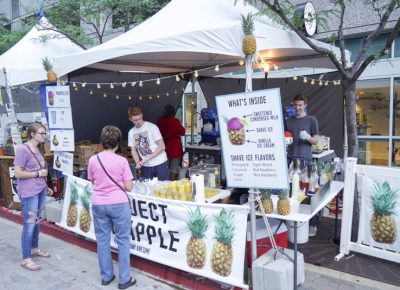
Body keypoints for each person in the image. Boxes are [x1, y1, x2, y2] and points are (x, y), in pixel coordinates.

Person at [87, 125, 136, 289]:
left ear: (101, 142)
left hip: (99, 203)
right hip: (119, 204)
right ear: (118, 143)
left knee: (102, 240)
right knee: (123, 241)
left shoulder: (93, 159)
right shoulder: (122, 161)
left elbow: (92, 181)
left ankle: (106, 277)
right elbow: (129, 187)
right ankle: (124, 279)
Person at [14, 122, 53, 271]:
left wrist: (45, 185)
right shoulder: (23, 150)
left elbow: (40, 170)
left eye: (45, 133)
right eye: (41, 133)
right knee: (29, 224)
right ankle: (26, 258)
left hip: (40, 190)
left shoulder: (38, 148)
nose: (44, 136)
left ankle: (34, 249)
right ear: (32, 134)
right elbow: (18, 173)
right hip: (29, 193)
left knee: (36, 222)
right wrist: (36, 174)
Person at [286, 93, 319, 236]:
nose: (298, 108)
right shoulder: (289, 120)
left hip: (306, 161)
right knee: (290, 192)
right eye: (295, 105)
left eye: (300, 105)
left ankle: (311, 224)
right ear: (293, 105)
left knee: (308, 193)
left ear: (305, 105)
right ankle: (291, 222)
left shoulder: (312, 120)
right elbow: (286, 136)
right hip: (291, 160)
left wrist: (308, 137)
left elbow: (316, 141)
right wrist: (285, 140)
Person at [128, 106, 169, 180]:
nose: (138, 122)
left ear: (142, 115)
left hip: (160, 163)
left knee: (163, 188)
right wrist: (137, 162)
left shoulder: (152, 127)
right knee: (147, 189)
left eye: (140, 118)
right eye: (135, 120)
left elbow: (162, 146)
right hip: (145, 166)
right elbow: (133, 150)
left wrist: (146, 159)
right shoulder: (131, 132)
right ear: (130, 119)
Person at [157, 104, 185, 180]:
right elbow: (182, 132)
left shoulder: (159, 121)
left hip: (163, 146)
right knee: (174, 168)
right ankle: (171, 185)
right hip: (175, 146)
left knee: (164, 168)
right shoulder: (174, 120)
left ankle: (164, 184)